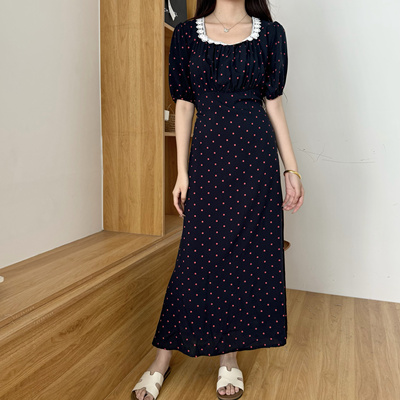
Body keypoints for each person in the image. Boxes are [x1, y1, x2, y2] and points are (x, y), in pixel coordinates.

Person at [132, 0, 304, 399]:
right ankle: (162, 358)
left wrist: (291, 170)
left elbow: (274, 105)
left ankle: (229, 358)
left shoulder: (270, 34)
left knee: (244, 259)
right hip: (208, 159)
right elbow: (184, 105)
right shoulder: (188, 35)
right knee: (194, 258)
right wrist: (182, 172)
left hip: (255, 162)